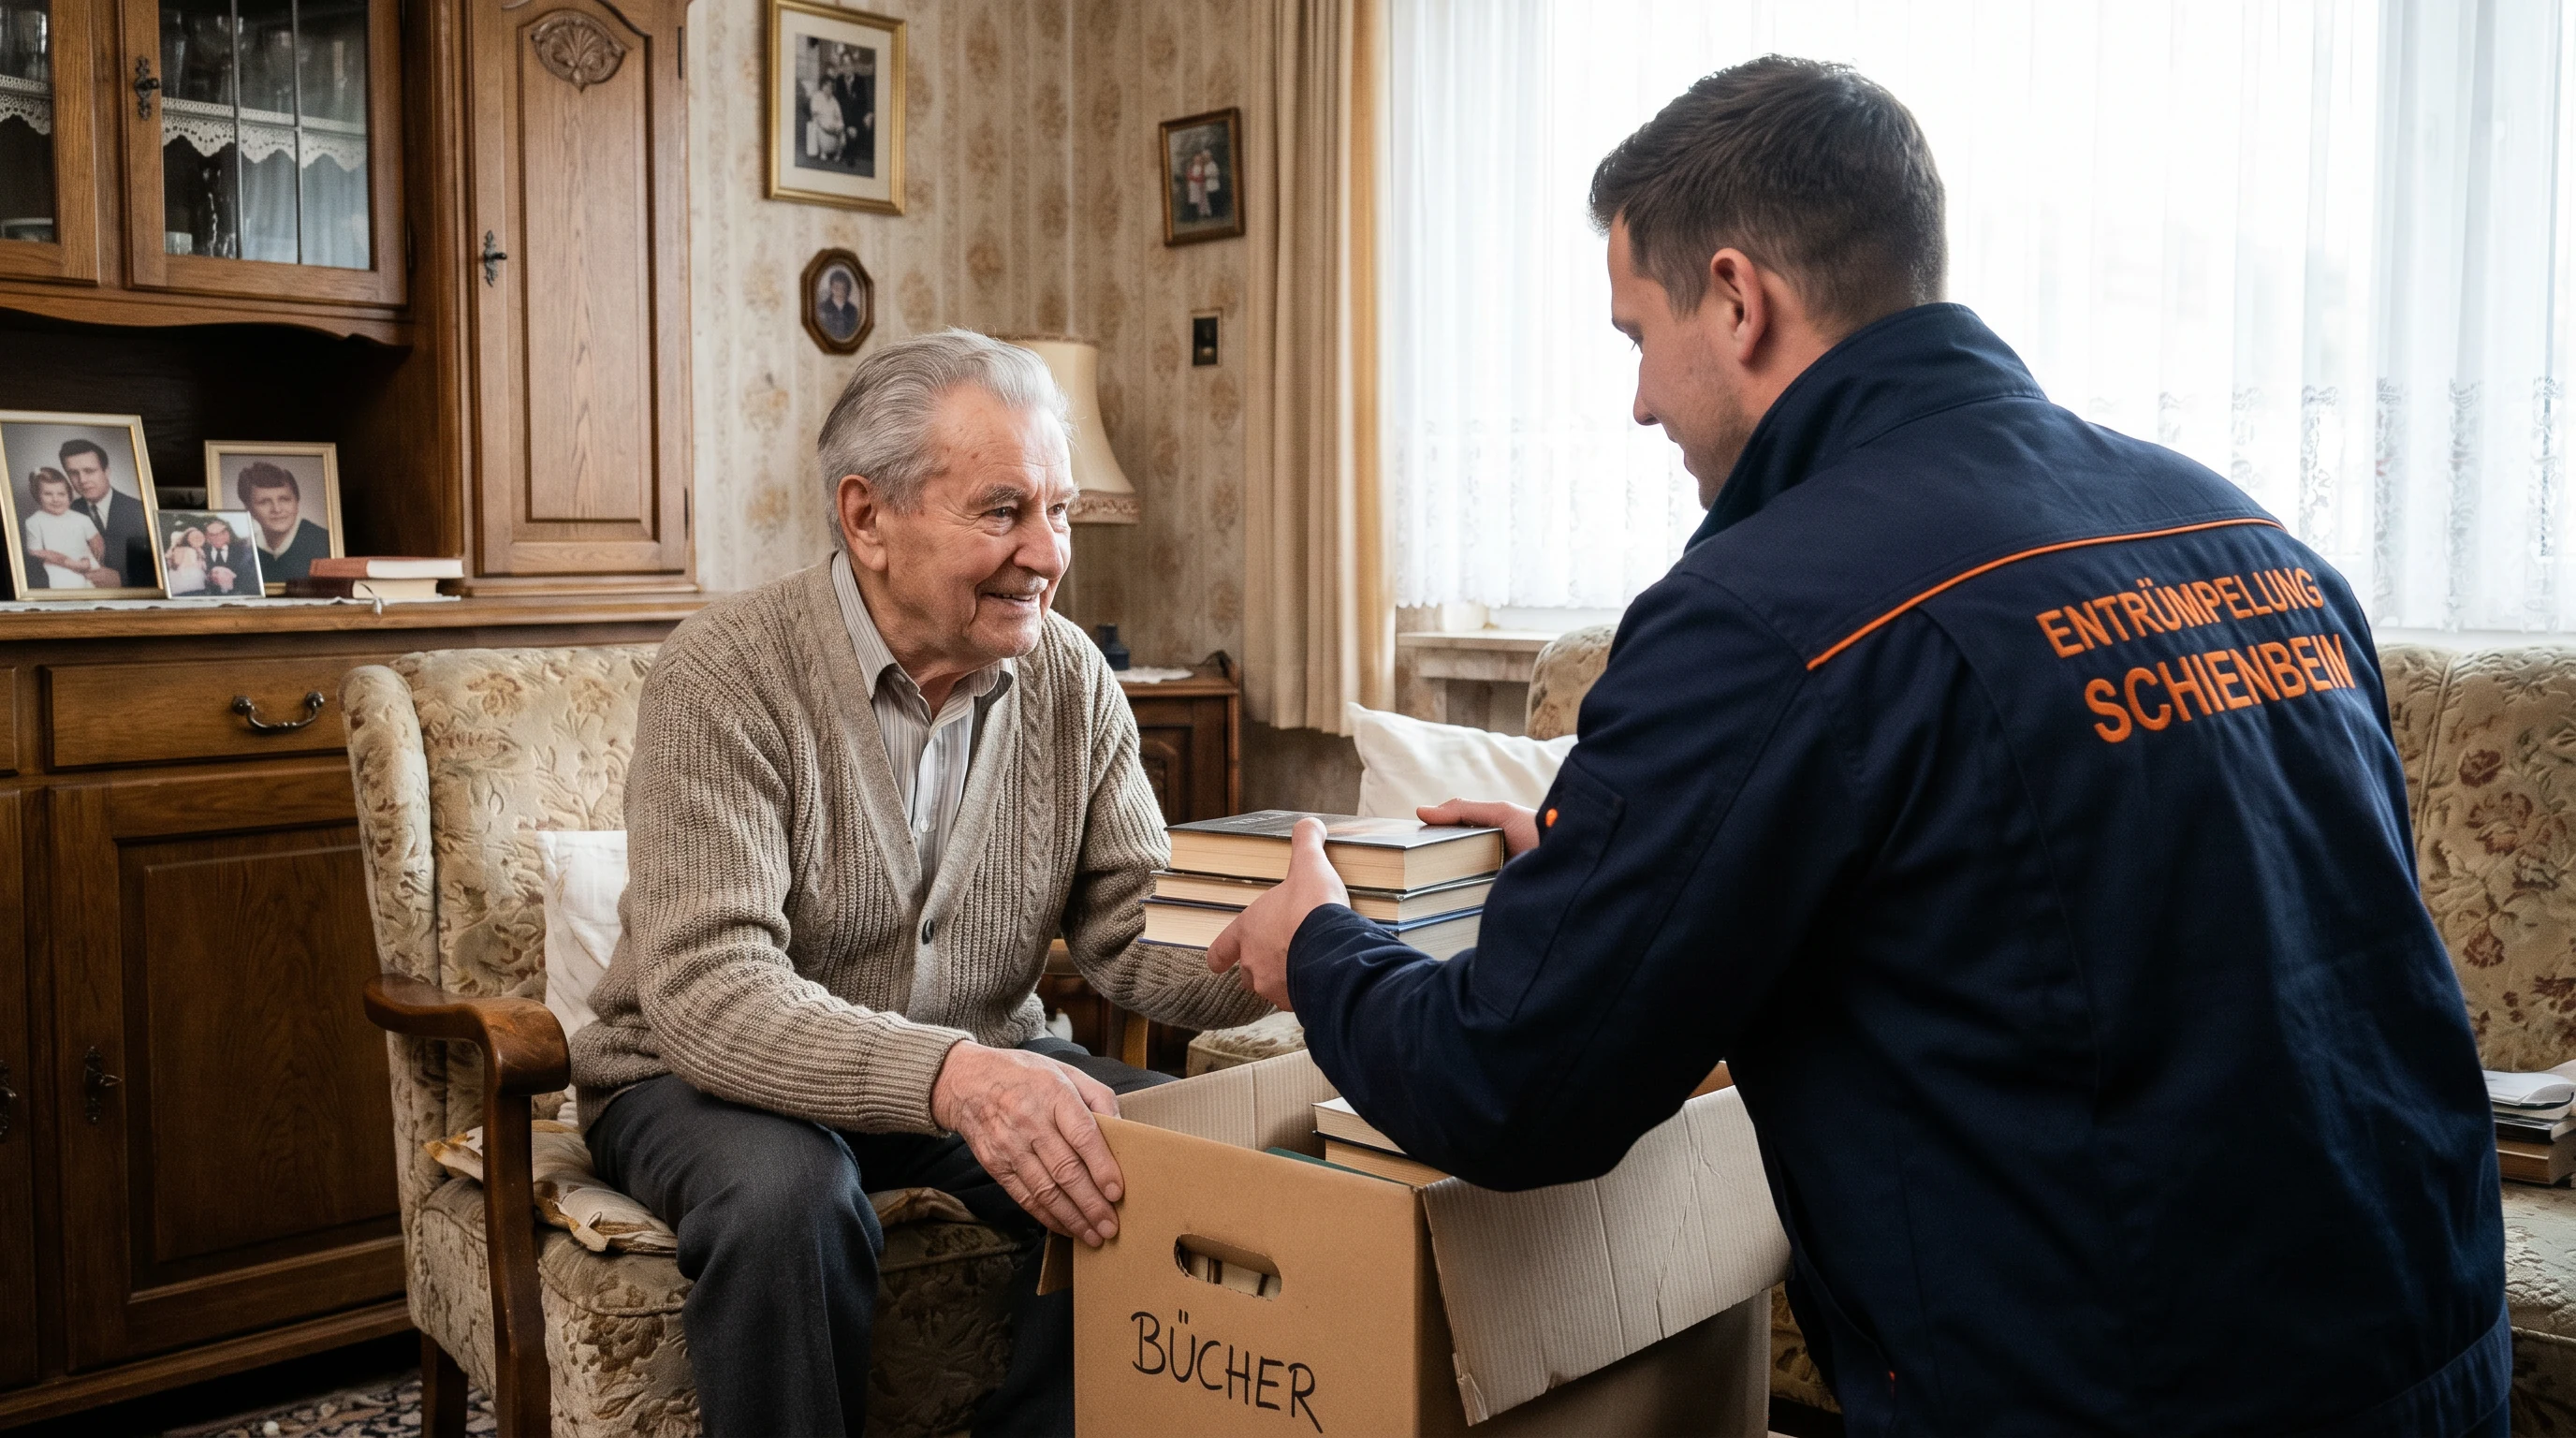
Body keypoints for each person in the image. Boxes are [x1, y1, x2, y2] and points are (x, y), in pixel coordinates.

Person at [1209, 56, 2507, 1438]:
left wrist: (1319, 947)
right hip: (2434, 1357)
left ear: (1736, 298)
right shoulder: (2249, 539)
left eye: (1636, 335)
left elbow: (1513, 1091)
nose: (1639, 401)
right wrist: (1624, 878)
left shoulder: (1763, 609)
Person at [569, 328, 1270, 1438]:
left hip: (972, 1062)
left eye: (1060, 511)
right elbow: (711, 990)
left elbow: (1128, 927)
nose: (1046, 552)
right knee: (787, 1200)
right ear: (867, 518)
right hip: (702, 1083)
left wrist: (1287, 947)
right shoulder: (728, 670)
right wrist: (954, 1077)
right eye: (1003, 511)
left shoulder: (1071, 678)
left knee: (1189, 1161)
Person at [63, 438, 148, 587]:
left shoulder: (139, 510)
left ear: (107, 472)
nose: (82, 480)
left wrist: (123, 581)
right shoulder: (66, 513)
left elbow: (159, 569)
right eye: (73, 473)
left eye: (89, 471)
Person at [237, 462, 330, 583]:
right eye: (264, 502)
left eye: (284, 499)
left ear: (297, 502)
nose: (277, 509)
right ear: (248, 508)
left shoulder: (325, 542)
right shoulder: (241, 551)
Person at [21, 467, 102, 590]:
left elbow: (97, 543)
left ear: (69, 495)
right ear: (38, 496)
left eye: (61, 494)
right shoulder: (34, 522)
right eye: (48, 494)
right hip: (58, 568)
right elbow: (35, 552)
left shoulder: (82, 519)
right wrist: (70, 563)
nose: (55, 499)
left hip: (87, 565)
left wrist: (92, 561)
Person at [199, 516, 256, 595]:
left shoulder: (242, 551)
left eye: (221, 533)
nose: (218, 537)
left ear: (227, 534)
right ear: (207, 537)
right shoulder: (202, 553)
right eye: (212, 534)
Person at [817, 269, 862, 343]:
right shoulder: (822, 308)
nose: (840, 292)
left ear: (847, 289)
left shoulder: (852, 310)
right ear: (831, 288)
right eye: (836, 288)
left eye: (843, 288)